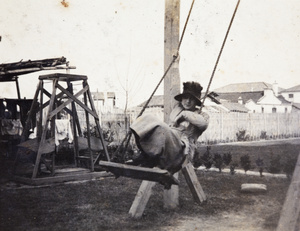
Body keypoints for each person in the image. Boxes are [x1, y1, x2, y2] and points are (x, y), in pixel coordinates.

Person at [130, 81, 209, 174]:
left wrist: (184, 114)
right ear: (182, 98)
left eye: (192, 99)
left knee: (162, 128)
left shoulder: (202, 115)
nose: (188, 101)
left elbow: (203, 124)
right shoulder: (176, 109)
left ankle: (147, 158)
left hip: (182, 150)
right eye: (185, 97)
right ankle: (146, 155)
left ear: (196, 101)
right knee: (148, 118)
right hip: (169, 146)